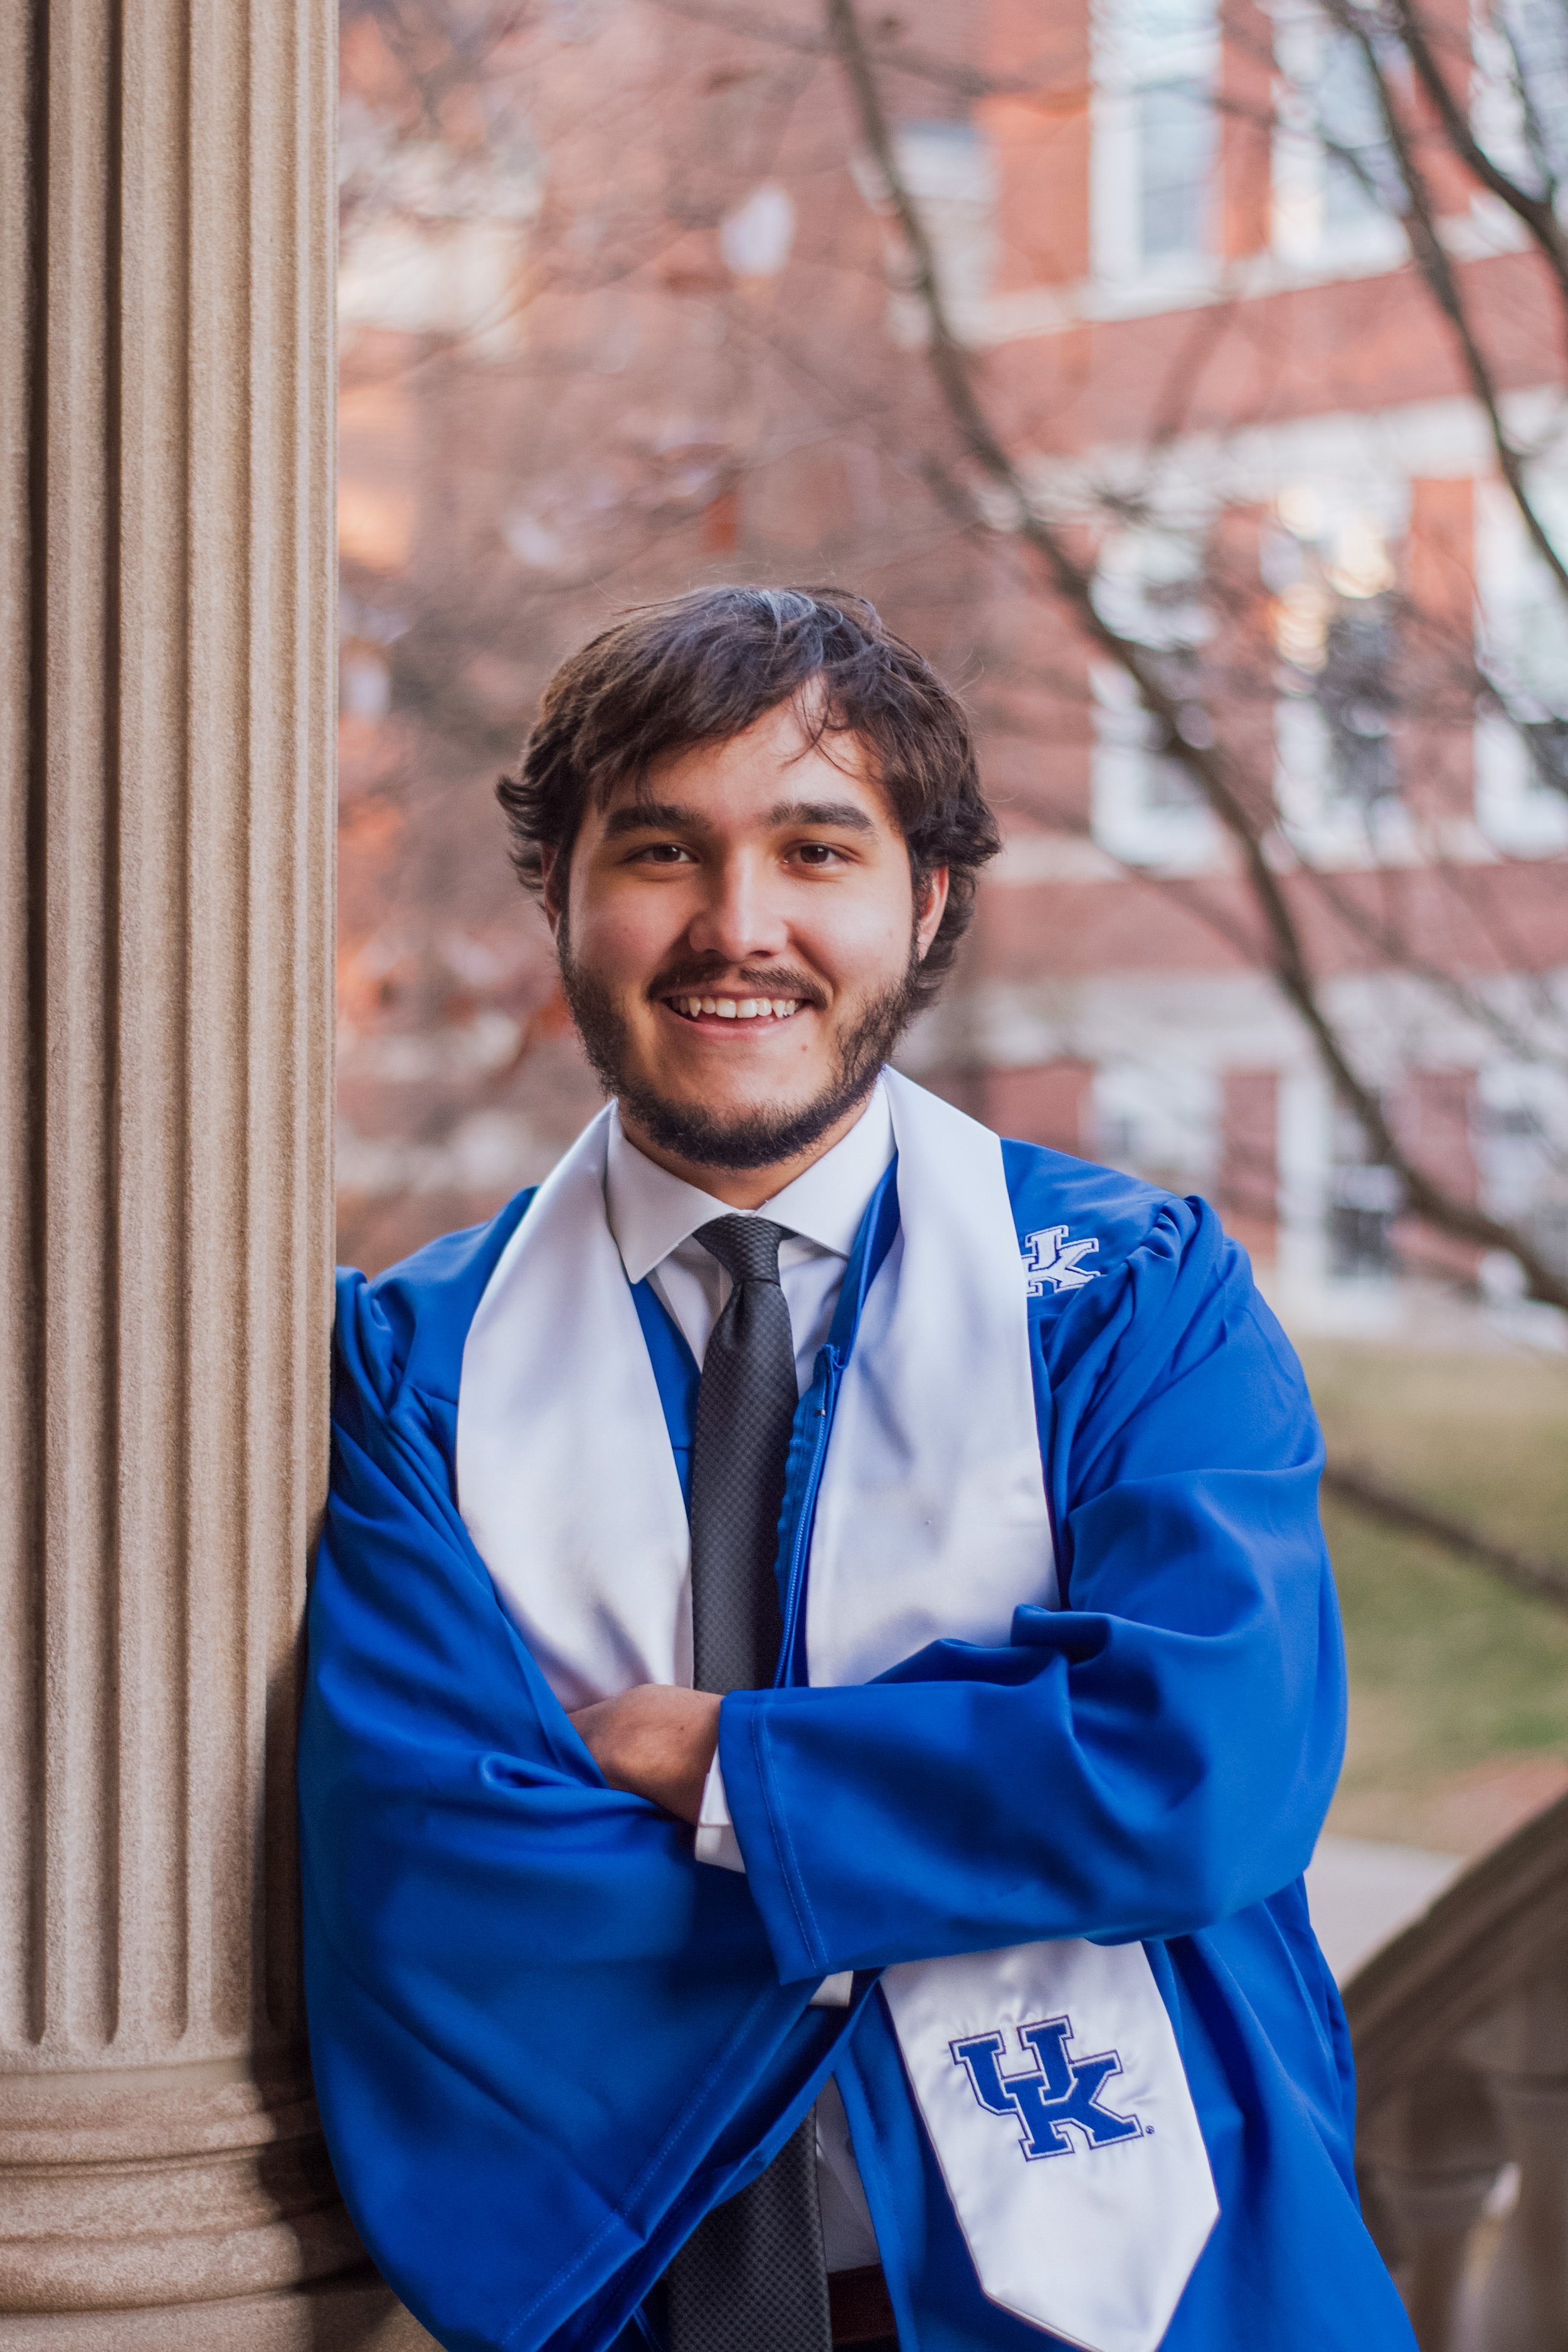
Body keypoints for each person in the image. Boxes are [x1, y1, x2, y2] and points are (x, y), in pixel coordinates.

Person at [299, 586, 1414, 2352]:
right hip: (661, 2288)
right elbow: (439, 1887)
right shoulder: (410, 1375)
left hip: (1157, 2274)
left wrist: (729, 1767)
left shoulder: (1128, 1300)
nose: (736, 929)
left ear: (927, 899)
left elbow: (1201, 1763)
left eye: (815, 851)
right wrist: (971, 1809)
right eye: (660, 853)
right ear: (560, 897)